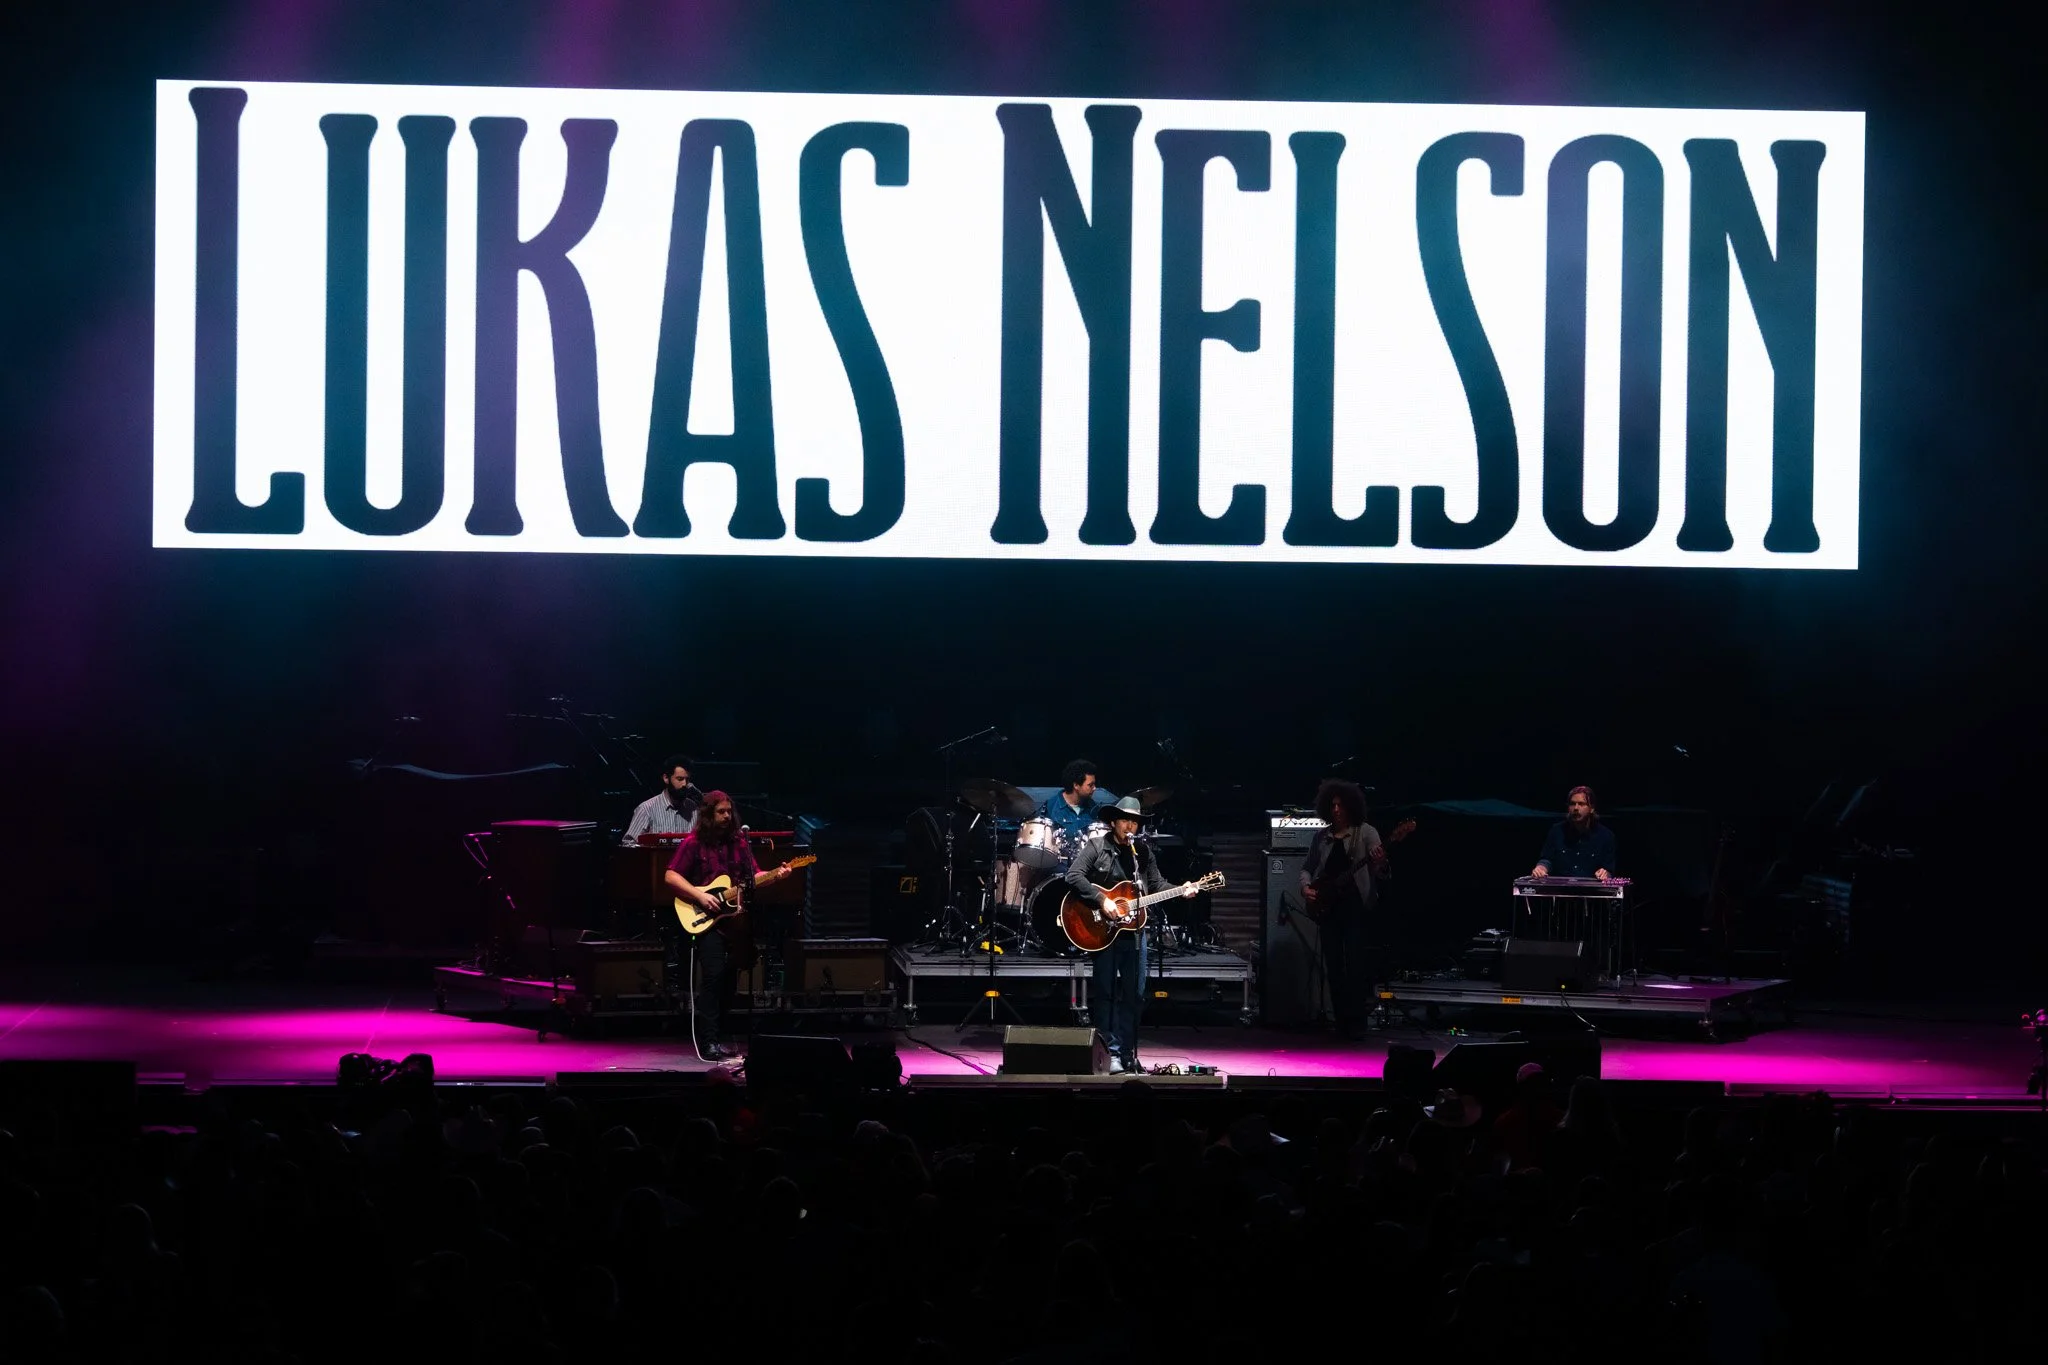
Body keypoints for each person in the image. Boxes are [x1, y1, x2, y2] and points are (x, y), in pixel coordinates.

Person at [663, 791, 800, 1061]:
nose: (727, 817)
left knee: (729, 981)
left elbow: (754, 877)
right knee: (713, 976)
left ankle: (718, 1036)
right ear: (708, 815)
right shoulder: (693, 843)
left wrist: (777, 875)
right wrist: (700, 895)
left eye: (729, 812)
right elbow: (670, 876)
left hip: (736, 921)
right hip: (707, 921)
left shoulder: (739, 843)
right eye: (721, 812)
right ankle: (708, 1042)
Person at [1063, 795, 1195, 1074]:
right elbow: (1073, 875)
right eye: (1125, 820)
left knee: (1135, 994)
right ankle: (1109, 1052)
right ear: (1113, 822)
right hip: (1103, 931)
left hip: (1134, 932)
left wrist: (1181, 889)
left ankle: (1127, 1052)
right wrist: (1103, 900)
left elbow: (1156, 885)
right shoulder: (1097, 846)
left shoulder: (1142, 853)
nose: (1130, 826)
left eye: (1134, 822)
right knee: (1107, 992)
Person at [1298, 778, 1389, 1039]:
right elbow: (1307, 868)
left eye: (1341, 805)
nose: (1336, 809)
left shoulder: (1366, 832)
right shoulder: (1321, 837)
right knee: (1334, 965)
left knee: (1356, 963)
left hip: (1355, 907)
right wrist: (1305, 888)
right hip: (1328, 908)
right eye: (1333, 805)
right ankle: (1340, 1021)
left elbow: (1381, 871)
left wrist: (1380, 863)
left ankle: (1357, 1022)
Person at [1530, 785, 1617, 880]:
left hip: (1590, 888)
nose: (1576, 808)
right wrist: (1541, 868)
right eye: (1572, 804)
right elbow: (1547, 859)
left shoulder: (1606, 836)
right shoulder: (1556, 831)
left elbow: (1609, 870)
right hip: (1560, 887)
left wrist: (1605, 873)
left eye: (1581, 804)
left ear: (1592, 808)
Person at [622, 754, 700, 845]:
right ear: (666, 778)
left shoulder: (693, 809)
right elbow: (628, 843)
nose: (684, 784)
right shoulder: (646, 809)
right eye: (680, 779)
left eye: (687, 780)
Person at [1042, 758, 1101, 851]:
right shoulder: (1050, 807)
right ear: (1076, 785)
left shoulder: (1094, 809)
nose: (1094, 788)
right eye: (1090, 785)